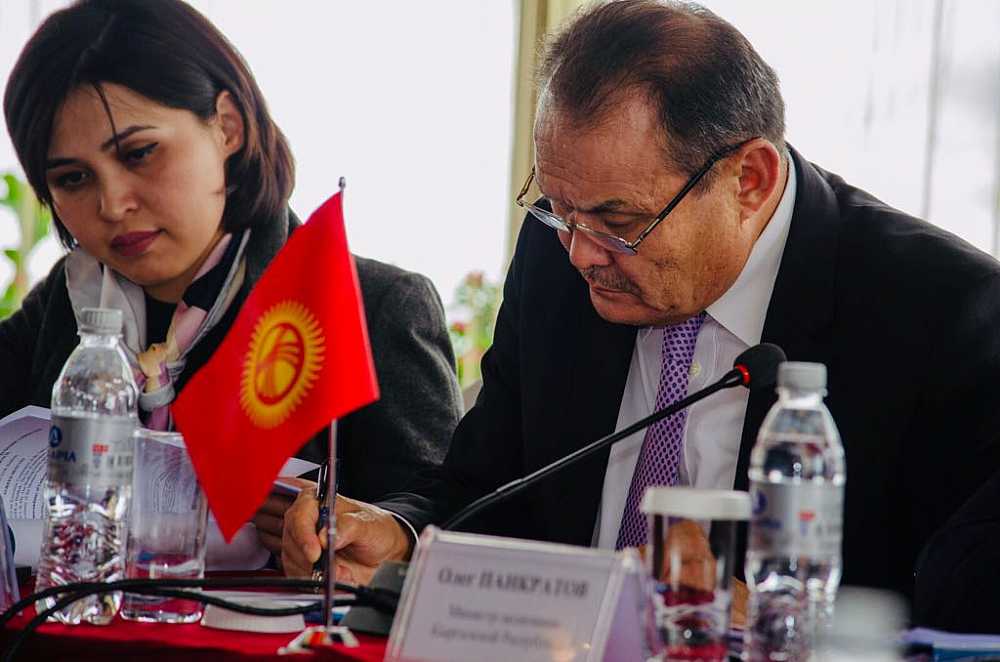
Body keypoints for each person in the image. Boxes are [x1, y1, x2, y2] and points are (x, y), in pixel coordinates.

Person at [281, 0, 1000, 618]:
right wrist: (403, 536)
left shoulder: (941, 312)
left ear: (749, 180)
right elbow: (482, 487)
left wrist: (782, 617)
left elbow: (963, 606)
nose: (581, 254)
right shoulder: (559, 254)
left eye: (618, 220)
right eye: (558, 209)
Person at [0, 0, 462, 559]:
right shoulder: (68, 301)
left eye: (140, 153)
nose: (113, 203)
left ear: (227, 127)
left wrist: (384, 534)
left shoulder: (373, 307)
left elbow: (445, 511)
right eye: (74, 179)